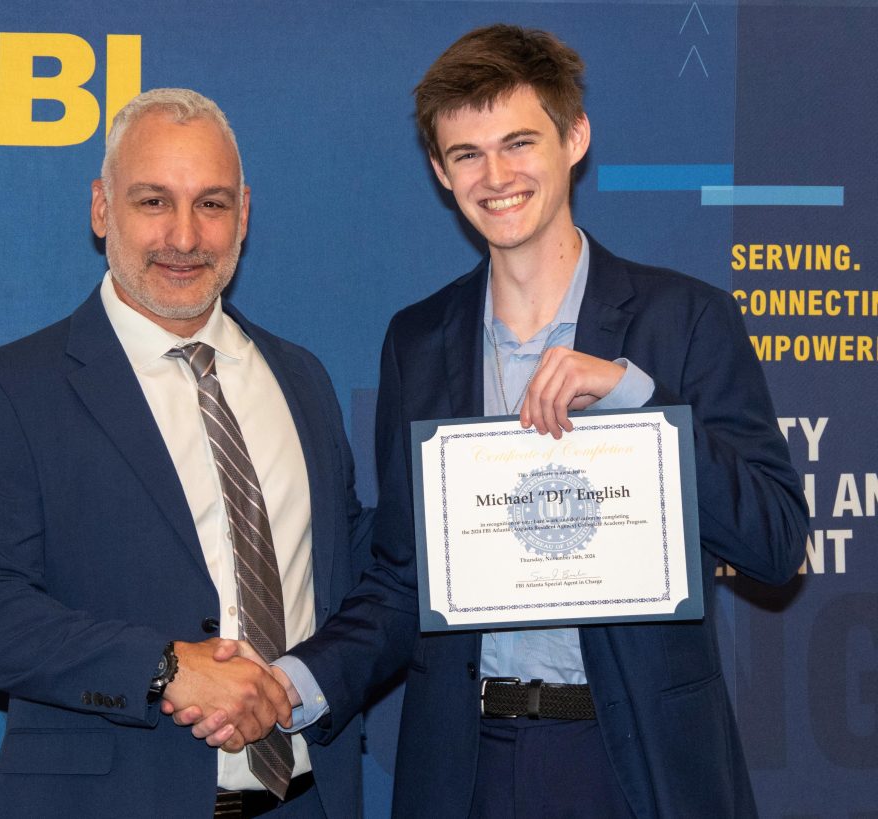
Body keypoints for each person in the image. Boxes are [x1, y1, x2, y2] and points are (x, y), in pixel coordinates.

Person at [191, 24, 808, 818]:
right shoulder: (418, 341)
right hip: (467, 764)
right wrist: (290, 682)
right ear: (442, 174)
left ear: (574, 138)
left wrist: (637, 403)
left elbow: (774, 541)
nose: (497, 175)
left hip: (639, 763)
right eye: (467, 154)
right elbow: (404, 578)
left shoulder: (684, 322)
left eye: (519, 142)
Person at [0, 88, 369, 818]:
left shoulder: (301, 378)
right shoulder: (7, 389)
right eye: (153, 201)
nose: (186, 237)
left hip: (307, 801)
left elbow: (357, 586)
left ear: (245, 214)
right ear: (102, 208)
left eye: (212, 204)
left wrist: (300, 679)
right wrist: (163, 669)